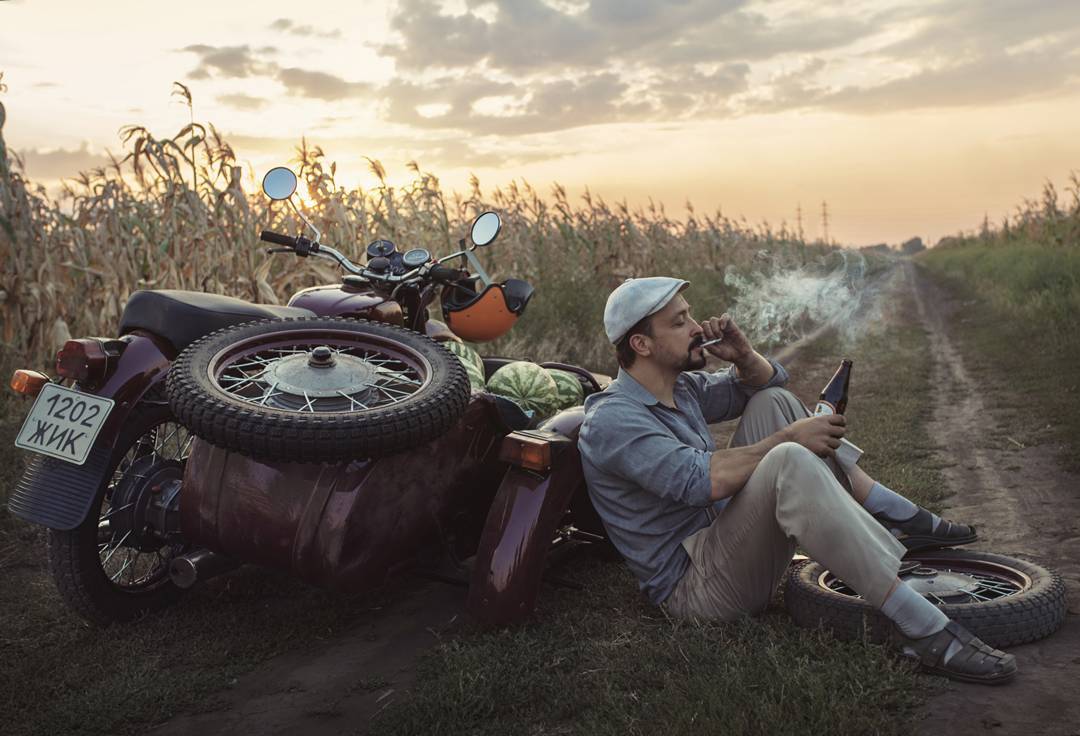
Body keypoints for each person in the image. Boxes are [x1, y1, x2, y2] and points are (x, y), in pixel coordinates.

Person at [578, 276, 1017, 685]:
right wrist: (789, 439)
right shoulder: (614, 419)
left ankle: (882, 508)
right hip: (696, 589)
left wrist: (745, 355)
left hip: (723, 545)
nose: (697, 327)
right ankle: (925, 630)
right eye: (680, 322)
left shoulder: (682, 388)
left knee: (774, 401)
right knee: (787, 455)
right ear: (642, 344)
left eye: (691, 314)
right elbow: (700, 482)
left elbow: (767, 385)